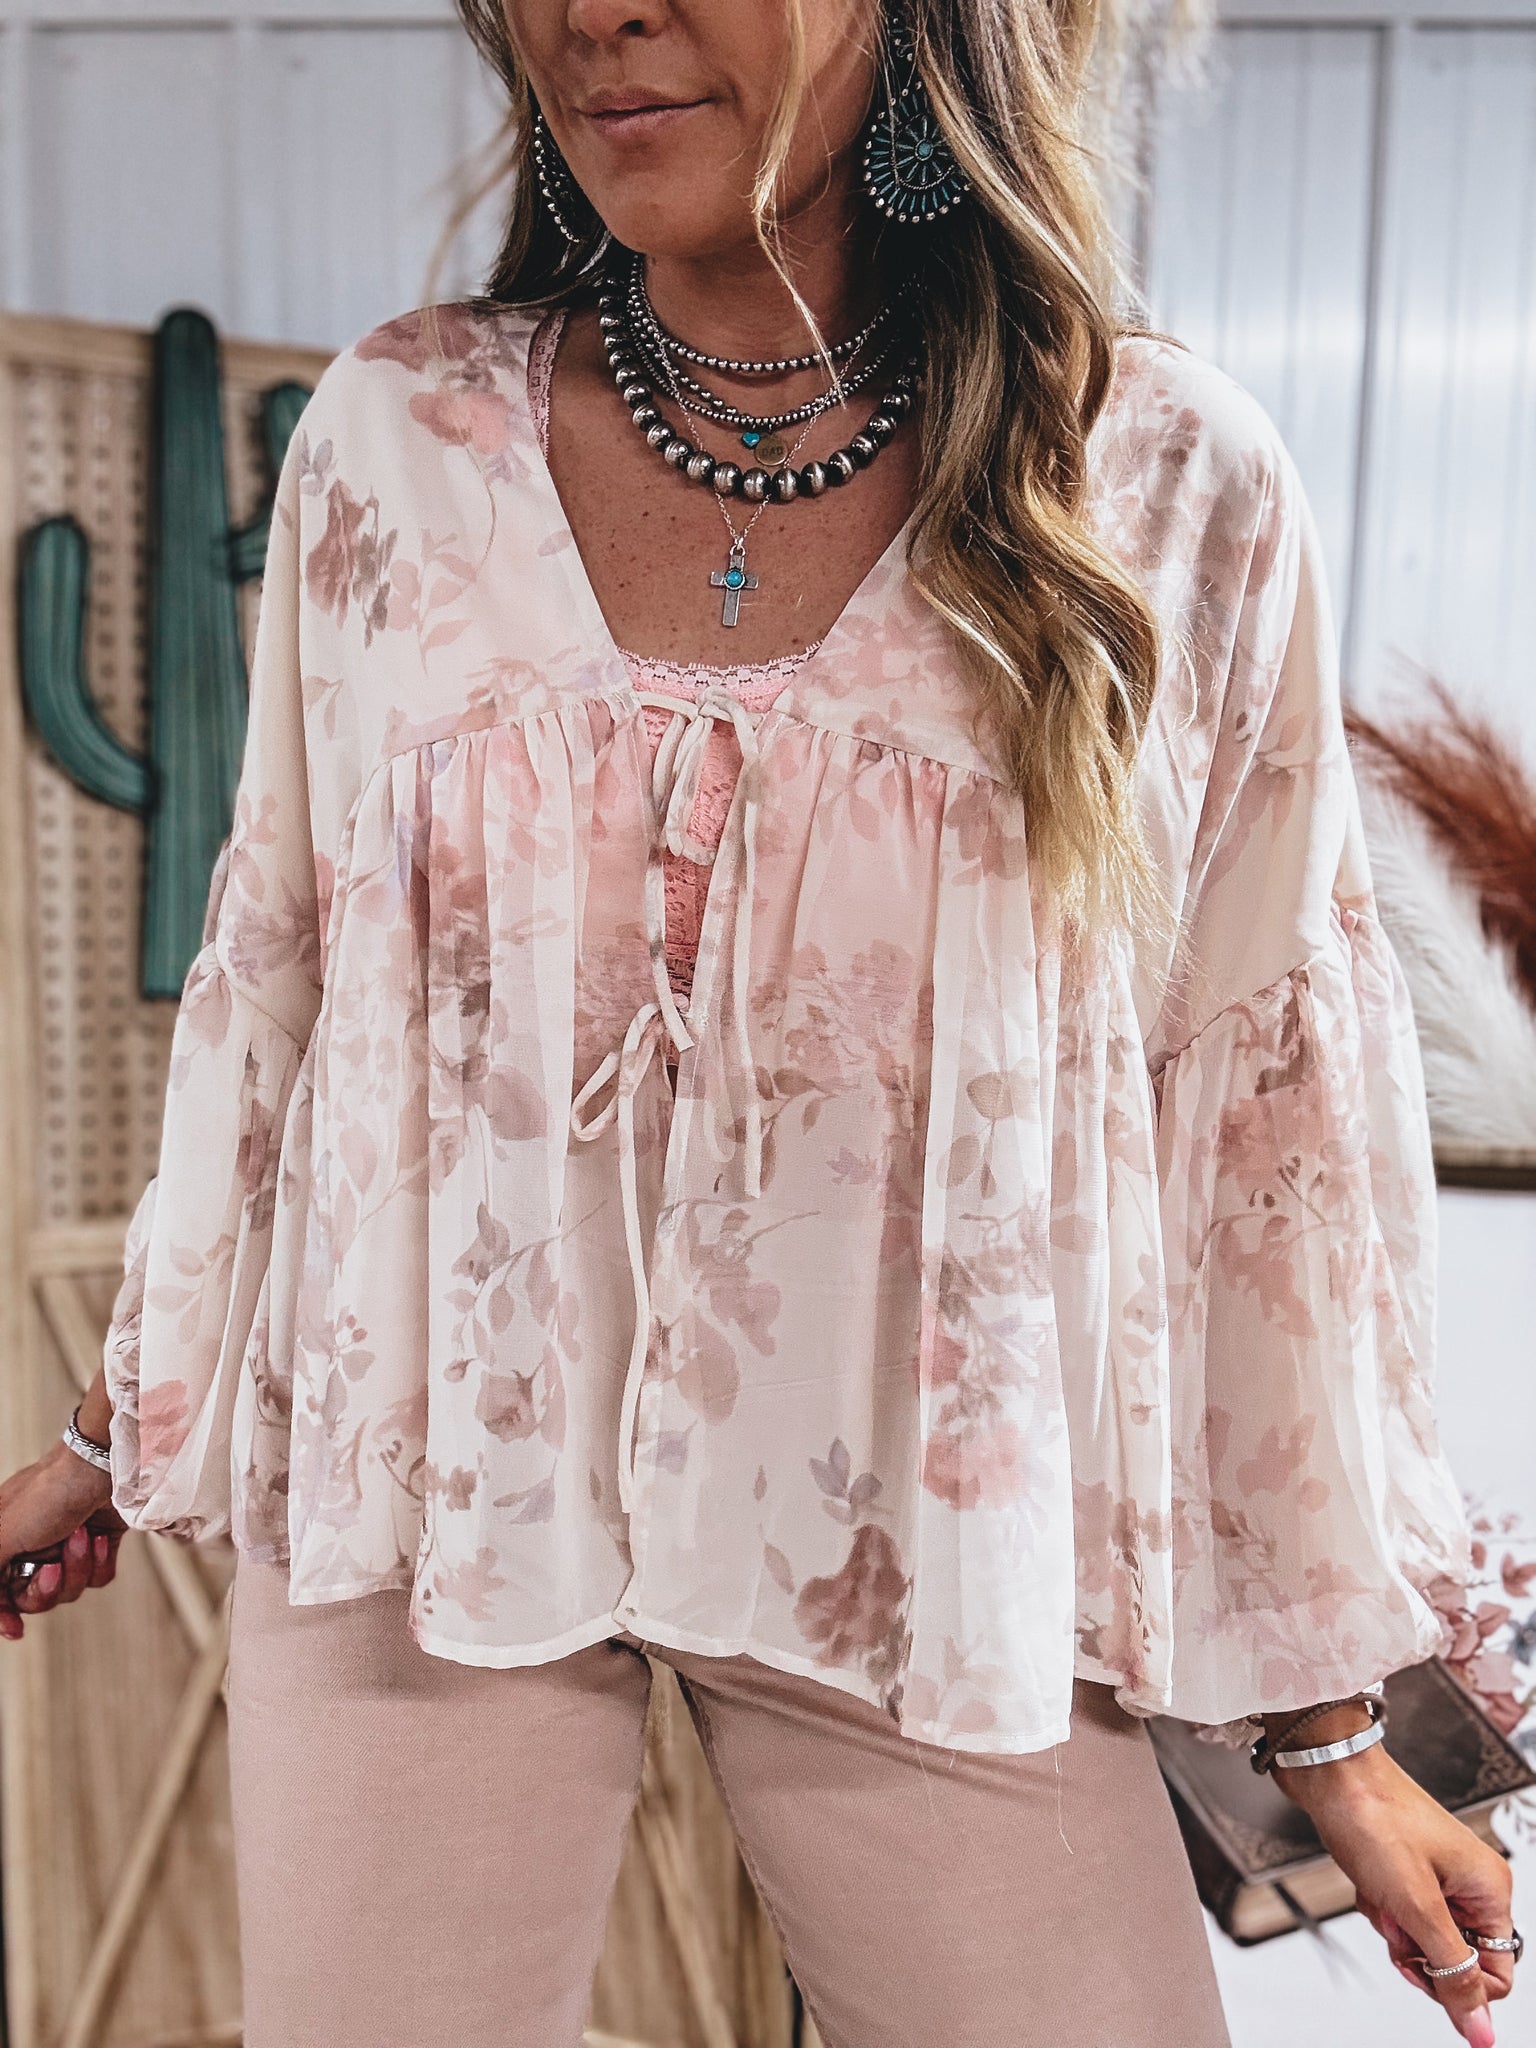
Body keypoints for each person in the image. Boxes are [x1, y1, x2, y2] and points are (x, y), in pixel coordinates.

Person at [0, 1, 1521, 2043]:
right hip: (428, 1487)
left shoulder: (1165, 484)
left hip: (937, 1536)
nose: (592, 14)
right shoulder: (397, 436)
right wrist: (117, 1427)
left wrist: (1328, 1716)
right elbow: (281, 978)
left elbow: (1257, 1136)